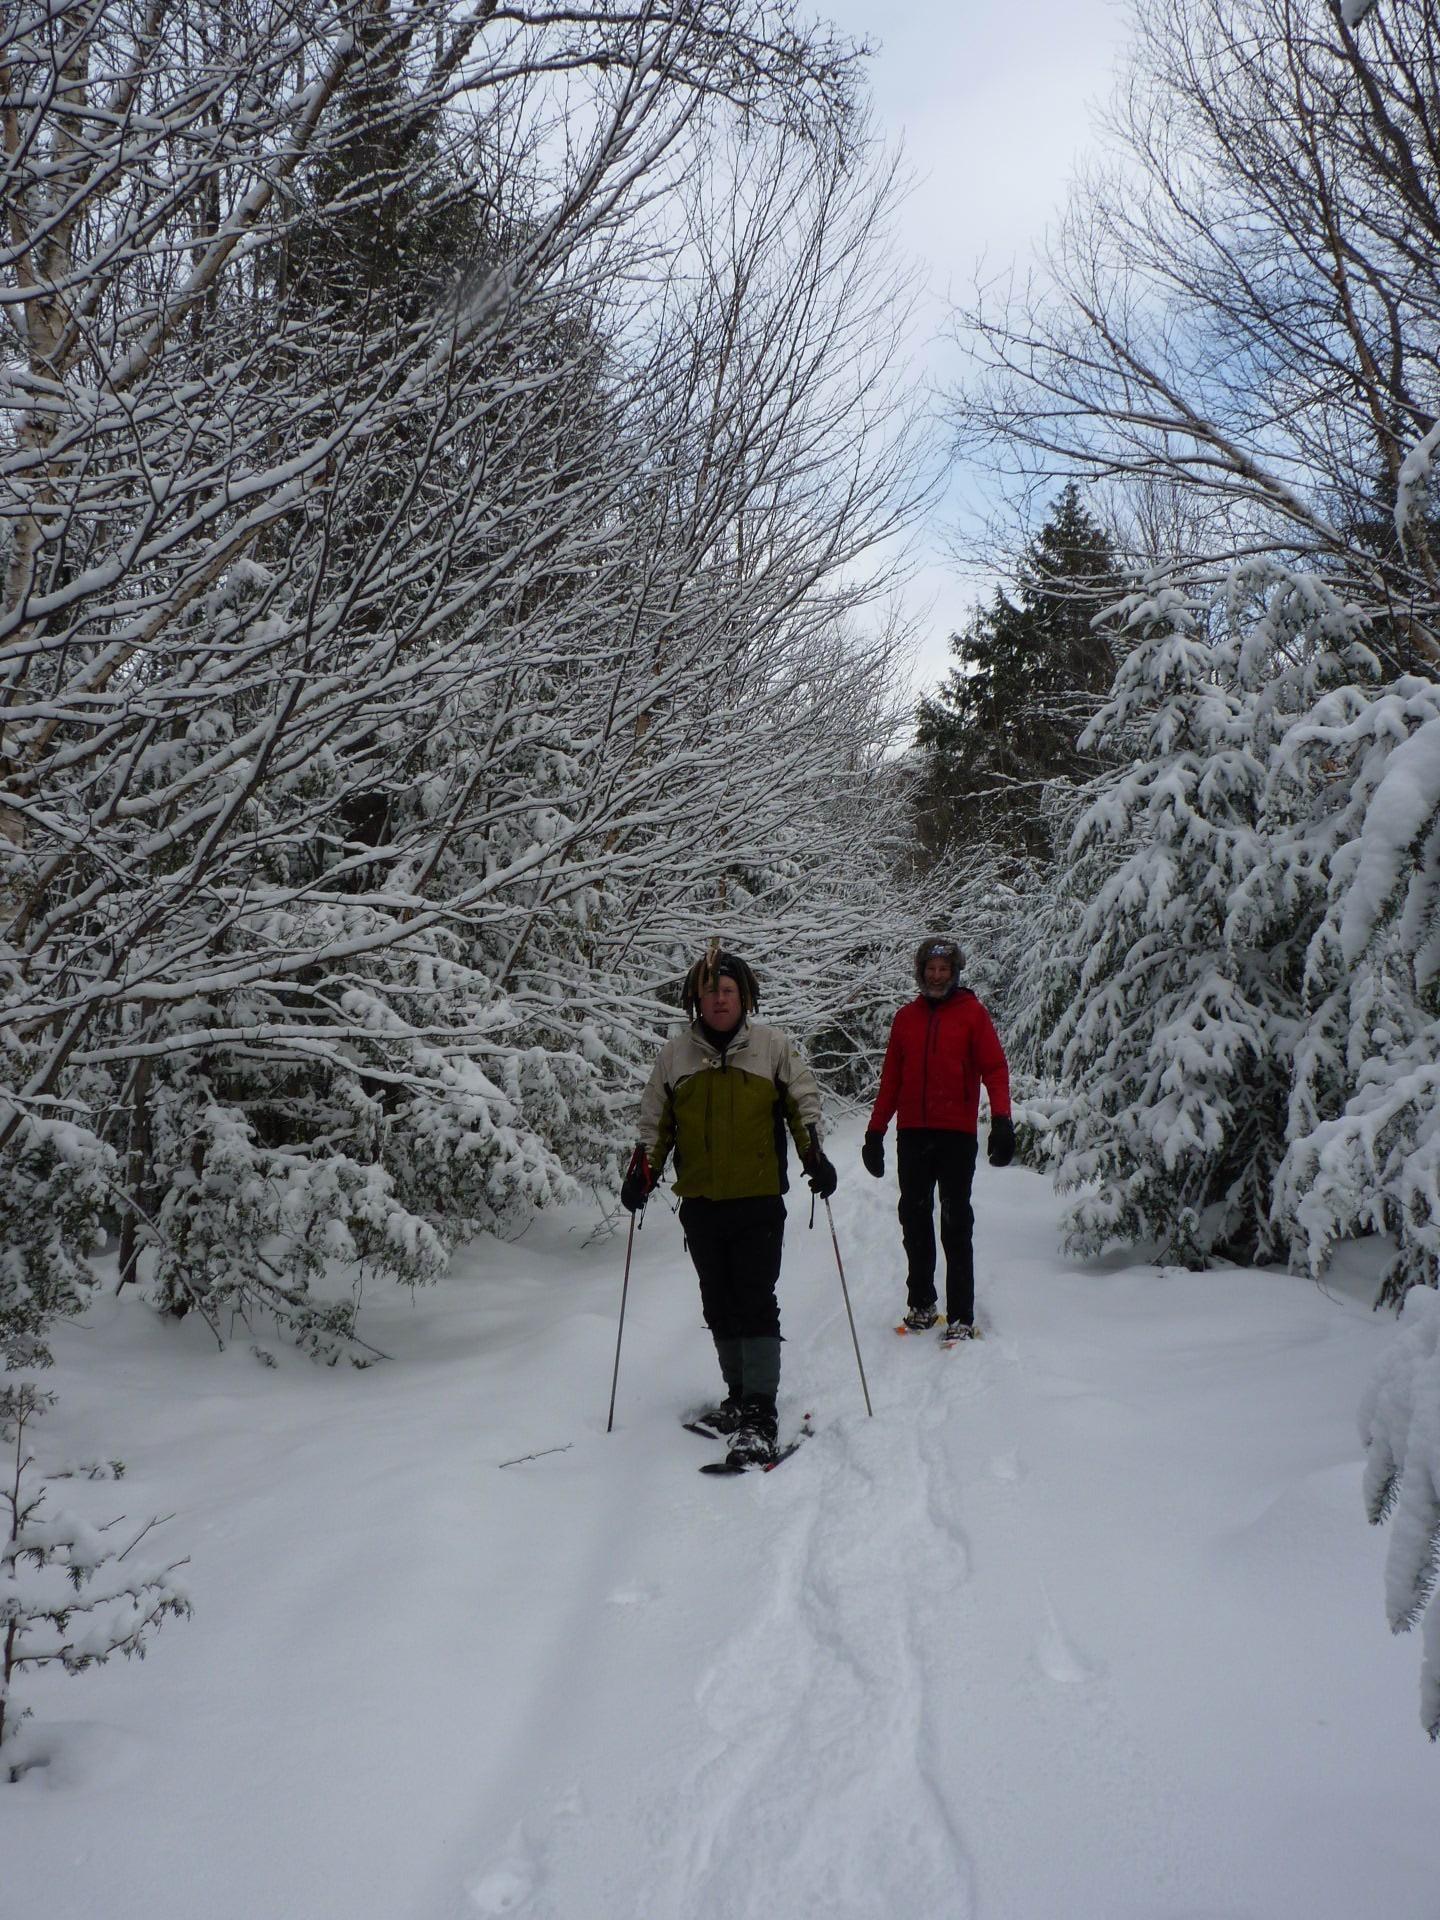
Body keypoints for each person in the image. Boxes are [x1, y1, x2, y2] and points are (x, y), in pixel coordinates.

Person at [620, 944, 837, 1467]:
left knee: (755, 1298)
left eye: (728, 990)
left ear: (744, 997)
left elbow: (802, 1104)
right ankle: (738, 1395)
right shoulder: (675, 1056)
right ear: (696, 999)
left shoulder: (772, 1047)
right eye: (710, 991)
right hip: (701, 1203)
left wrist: (813, 1154)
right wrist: (643, 1170)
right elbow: (655, 1121)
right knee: (717, 1302)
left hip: (758, 1200)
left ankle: (760, 1410)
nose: (719, 999)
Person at [862, 936, 1014, 1340]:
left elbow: (995, 1068)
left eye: (944, 969)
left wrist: (1002, 1120)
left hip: (956, 1134)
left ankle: (961, 1315)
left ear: (955, 972)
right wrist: (875, 1131)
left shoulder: (972, 1014)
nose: (936, 976)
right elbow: (891, 1080)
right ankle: (922, 1304)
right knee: (913, 1218)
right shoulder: (906, 1019)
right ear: (920, 972)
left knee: (955, 1221)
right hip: (913, 1133)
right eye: (930, 969)